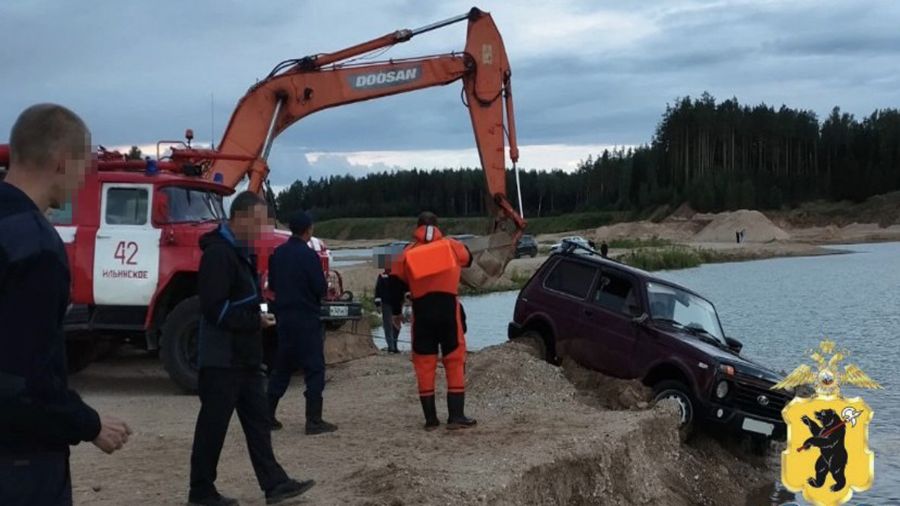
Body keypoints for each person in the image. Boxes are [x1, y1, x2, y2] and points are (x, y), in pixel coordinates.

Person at [0, 104, 132, 506]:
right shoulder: (35, 245)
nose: (84, 179)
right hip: (20, 463)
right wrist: (88, 423)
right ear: (62, 162)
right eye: (84, 167)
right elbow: (22, 380)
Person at [189, 192, 313, 506]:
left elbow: (247, 299)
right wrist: (254, 321)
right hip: (221, 359)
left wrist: (264, 309)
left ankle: (275, 484)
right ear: (240, 217)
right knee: (212, 427)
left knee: (258, 423)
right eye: (258, 222)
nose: (262, 229)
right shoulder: (218, 254)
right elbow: (213, 309)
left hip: (245, 358)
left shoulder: (241, 252)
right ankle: (201, 492)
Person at [387, 212, 476, 431]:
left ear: (417, 227)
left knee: (424, 364)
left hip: (422, 313)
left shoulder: (406, 253)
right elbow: (470, 259)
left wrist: (396, 313)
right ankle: (456, 417)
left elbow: (394, 286)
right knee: (454, 361)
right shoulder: (452, 246)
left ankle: (430, 420)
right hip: (448, 311)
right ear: (437, 227)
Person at [267, 211, 337, 435]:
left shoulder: (277, 254)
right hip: (306, 319)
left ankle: (267, 415)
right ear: (308, 230)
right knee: (314, 369)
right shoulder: (309, 256)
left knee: (282, 368)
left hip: (284, 319)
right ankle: (313, 420)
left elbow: (274, 285)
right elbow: (320, 288)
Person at [374, 267, 401, 353]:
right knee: (388, 325)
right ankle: (391, 346)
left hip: (397, 303)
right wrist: (378, 304)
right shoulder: (382, 276)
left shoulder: (398, 276)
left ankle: (395, 345)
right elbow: (377, 291)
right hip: (386, 304)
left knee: (396, 325)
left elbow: (404, 288)